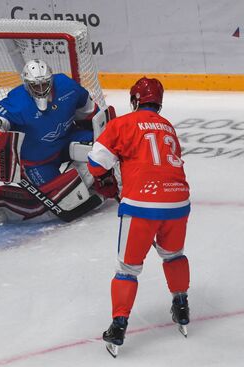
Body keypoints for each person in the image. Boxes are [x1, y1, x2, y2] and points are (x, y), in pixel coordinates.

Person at [87, 77, 191, 357]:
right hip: (179, 200)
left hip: (142, 202)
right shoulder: (167, 125)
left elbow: (96, 163)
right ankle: (181, 307)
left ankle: (119, 326)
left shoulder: (122, 124)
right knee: (174, 255)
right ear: (159, 102)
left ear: (134, 100)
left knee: (128, 269)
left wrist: (106, 175)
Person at [0, 59, 112, 225]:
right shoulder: (18, 102)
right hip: (36, 161)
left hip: (65, 142)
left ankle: (100, 180)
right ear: (26, 84)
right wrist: (2, 152)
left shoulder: (67, 87)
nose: (40, 89)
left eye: (44, 84)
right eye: (35, 85)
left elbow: (89, 112)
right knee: (54, 203)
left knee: (102, 146)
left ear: (51, 79)